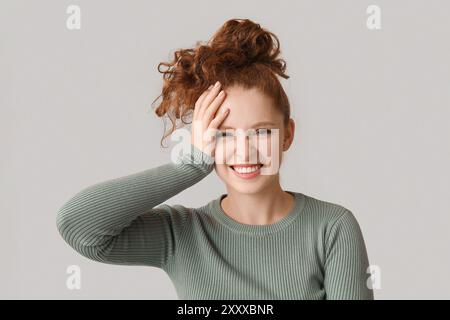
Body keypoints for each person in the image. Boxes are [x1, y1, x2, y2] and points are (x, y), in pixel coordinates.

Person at [56, 18, 374, 300]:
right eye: (225, 134)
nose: (244, 150)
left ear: (287, 134)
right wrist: (191, 165)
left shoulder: (332, 227)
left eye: (262, 132)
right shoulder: (182, 234)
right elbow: (78, 226)